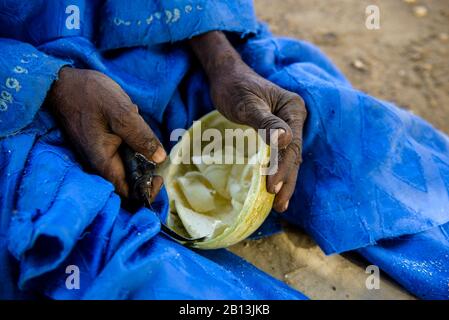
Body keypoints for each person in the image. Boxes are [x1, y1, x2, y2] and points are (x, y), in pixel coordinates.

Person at [0, 0, 448, 299]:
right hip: (23, 99)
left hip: (148, 37)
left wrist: (222, 60)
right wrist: (54, 83)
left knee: (321, 121)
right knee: (87, 243)